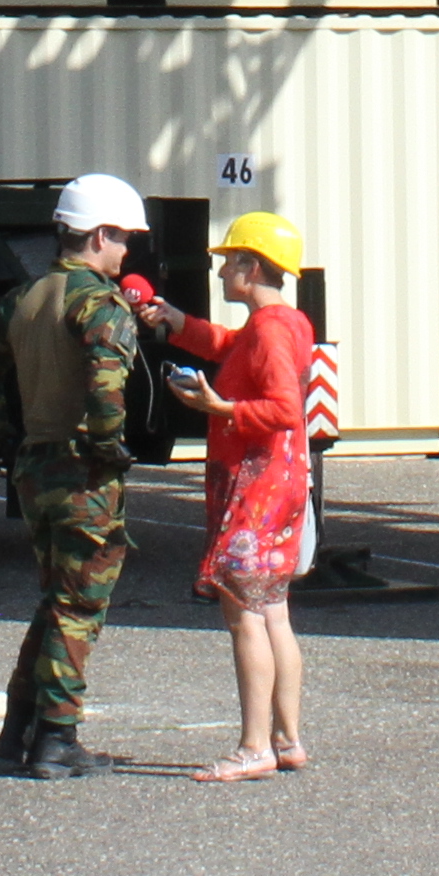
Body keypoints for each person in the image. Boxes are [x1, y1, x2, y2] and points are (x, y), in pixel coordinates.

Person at [0, 169, 149, 781]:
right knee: (79, 607)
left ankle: (19, 731)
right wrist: (108, 447)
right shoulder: (98, 303)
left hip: (35, 466)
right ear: (99, 235)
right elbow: (105, 382)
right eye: (123, 239)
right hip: (80, 472)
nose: (127, 252)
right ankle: (57, 740)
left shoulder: (26, 297)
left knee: (54, 600)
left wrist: (5, 439)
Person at [139, 211, 320, 782]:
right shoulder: (284, 322)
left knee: (243, 614)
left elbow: (284, 409)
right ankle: (287, 740)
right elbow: (228, 345)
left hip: (254, 488)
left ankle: (253, 748)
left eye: (227, 262)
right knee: (274, 611)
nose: (219, 271)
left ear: (250, 265)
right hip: (283, 486)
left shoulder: (266, 330)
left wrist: (219, 410)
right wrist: (177, 322)